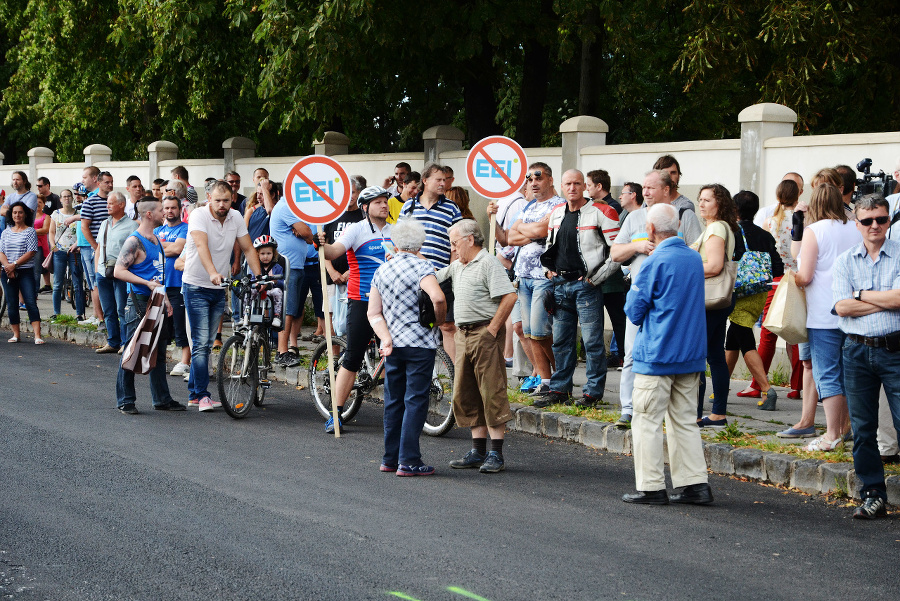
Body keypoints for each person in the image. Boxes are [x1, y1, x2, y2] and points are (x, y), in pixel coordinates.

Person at [622, 203, 712, 505]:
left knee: (646, 420)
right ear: (679, 228)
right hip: (691, 353)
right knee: (684, 420)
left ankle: (651, 486)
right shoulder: (694, 259)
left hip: (657, 354)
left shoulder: (652, 262)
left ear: (650, 230)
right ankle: (695, 485)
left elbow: (634, 311)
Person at [610, 170, 703, 428]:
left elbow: (697, 251)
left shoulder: (680, 217)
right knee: (631, 354)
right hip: (641, 296)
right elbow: (615, 253)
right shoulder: (633, 217)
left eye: (651, 188)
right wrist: (636, 247)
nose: (646, 192)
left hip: (673, 301)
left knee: (671, 357)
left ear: (666, 190)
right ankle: (628, 409)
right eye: (644, 188)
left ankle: (669, 412)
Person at [832, 194, 900, 518]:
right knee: (862, 429)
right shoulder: (845, 261)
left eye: (882, 219)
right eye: (868, 220)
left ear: (888, 220)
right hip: (856, 350)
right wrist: (883, 300)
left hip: (895, 348)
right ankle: (873, 495)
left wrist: (859, 295)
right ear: (856, 223)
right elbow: (841, 308)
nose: (875, 226)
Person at [532, 169, 620, 406]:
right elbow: (549, 246)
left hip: (587, 286)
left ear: (585, 186)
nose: (572, 188)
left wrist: (596, 278)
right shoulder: (556, 213)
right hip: (560, 285)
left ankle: (593, 393)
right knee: (561, 341)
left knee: (592, 342)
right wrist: (547, 271)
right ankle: (560, 390)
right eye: (568, 184)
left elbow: (618, 252)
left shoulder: (603, 211)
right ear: (562, 187)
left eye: (577, 184)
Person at [367, 217, 446, 476]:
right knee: (415, 400)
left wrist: (385, 337)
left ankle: (390, 459)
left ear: (395, 242)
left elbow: (374, 313)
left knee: (394, 401)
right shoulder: (423, 267)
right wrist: (439, 322)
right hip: (420, 342)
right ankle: (409, 460)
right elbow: (437, 297)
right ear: (420, 243)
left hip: (393, 344)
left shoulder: (382, 270)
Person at [438, 220, 516, 473]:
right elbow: (431, 276)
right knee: (466, 390)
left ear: (470, 240)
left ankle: (496, 453)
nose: (452, 248)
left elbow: (510, 296)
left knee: (491, 390)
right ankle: (477, 450)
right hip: (463, 334)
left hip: (483, 332)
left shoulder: (488, 262)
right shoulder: (459, 265)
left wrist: (492, 329)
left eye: (454, 242)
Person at [315, 186, 393, 433]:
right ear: (365, 207)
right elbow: (334, 251)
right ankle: (335, 413)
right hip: (362, 299)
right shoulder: (356, 230)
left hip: (391, 301)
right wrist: (320, 245)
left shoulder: (394, 231)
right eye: (378, 202)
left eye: (385, 201)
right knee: (353, 357)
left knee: (396, 355)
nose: (384, 205)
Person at [793, 183, 861, 451]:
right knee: (849, 374)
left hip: (822, 313)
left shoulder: (814, 231)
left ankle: (831, 434)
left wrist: (791, 277)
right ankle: (846, 429)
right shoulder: (855, 227)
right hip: (853, 309)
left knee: (828, 373)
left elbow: (806, 275)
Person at [182, 180, 261, 412]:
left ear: (232, 198)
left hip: (219, 288)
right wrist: (213, 272)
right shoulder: (199, 216)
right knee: (201, 343)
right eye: (217, 200)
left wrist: (260, 278)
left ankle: (195, 394)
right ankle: (202, 395)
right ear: (208, 197)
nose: (222, 204)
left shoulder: (236, 217)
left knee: (205, 344)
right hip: (196, 285)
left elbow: (248, 248)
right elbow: (201, 245)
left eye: (226, 200)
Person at [114, 197, 185, 414]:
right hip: (138, 302)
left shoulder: (155, 239)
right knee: (132, 349)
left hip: (157, 301)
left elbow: (159, 275)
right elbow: (118, 271)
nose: (164, 212)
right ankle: (125, 400)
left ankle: (161, 399)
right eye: (161, 209)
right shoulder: (134, 241)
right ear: (148, 214)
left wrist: (165, 300)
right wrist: (146, 283)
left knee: (159, 350)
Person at [743, 178, 804, 407]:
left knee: (768, 333)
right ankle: (797, 386)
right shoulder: (801, 221)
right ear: (798, 195)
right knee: (797, 333)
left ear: (778, 196)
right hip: (796, 278)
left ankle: (759, 383)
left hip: (776, 280)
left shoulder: (770, 222)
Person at [506, 163, 565, 392]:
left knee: (540, 332)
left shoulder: (559, 205)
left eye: (538, 178)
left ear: (550, 180)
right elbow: (511, 236)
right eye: (530, 179)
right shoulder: (530, 206)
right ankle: (546, 380)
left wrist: (524, 228)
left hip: (543, 275)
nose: (533, 183)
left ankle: (560, 374)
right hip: (523, 276)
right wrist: (529, 229)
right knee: (528, 332)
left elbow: (542, 232)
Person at [723, 191, 783, 410]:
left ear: (735, 209)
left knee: (745, 341)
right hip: (758, 294)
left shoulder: (733, 232)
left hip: (739, 294)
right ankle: (722, 386)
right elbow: (777, 267)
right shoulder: (765, 235)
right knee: (733, 338)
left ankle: (767, 389)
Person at [400, 164, 463, 360]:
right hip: (414, 274)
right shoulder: (409, 206)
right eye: (439, 179)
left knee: (447, 325)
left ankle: (455, 376)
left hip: (443, 274)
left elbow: (457, 243)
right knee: (415, 321)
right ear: (425, 181)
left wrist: (452, 270)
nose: (443, 183)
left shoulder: (451, 208)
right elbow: (401, 242)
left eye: (445, 180)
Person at [692, 184, 740, 427]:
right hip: (716, 303)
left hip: (708, 302)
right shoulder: (717, 227)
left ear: (719, 203)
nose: (701, 203)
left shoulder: (717, 228)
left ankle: (696, 413)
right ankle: (717, 413)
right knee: (715, 356)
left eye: (707, 200)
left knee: (698, 357)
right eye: (700, 199)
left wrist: (687, 269)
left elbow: (714, 266)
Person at [270, 179, 314, 366]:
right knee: (287, 310)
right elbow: (307, 232)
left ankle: (290, 347)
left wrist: (304, 230)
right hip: (287, 265)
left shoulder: (294, 208)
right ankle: (282, 352)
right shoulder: (287, 205)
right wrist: (306, 233)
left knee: (296, 309)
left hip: (296, 265)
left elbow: (304, 230)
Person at [94, 191, 137, 354]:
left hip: (121, 271)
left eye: (111, 203)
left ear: (121, 205)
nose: (108, 206)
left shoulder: (132, 226)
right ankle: (112, 341)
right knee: (108, 309)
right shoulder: (105, 223)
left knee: (122, 308)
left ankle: (126, 343)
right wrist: (97, 269)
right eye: (107, 203)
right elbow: (99, 247)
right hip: (103, 271)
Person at [324, 175, 365, 338]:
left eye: (353, 192)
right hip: (332, 275)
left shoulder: (363, 216)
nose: (349, 196)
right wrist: (331, 271)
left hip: (356, 275)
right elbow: (323, 246)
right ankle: (334, 357)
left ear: (359, 193)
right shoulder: (331, 216)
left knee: (353, 315)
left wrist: (351, 271)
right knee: (332, 315)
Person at [155, 195, 190, 377]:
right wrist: (167, 247)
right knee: (162, 326)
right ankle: (162, 360)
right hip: (160, 285)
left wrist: (162, 247)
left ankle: (185, 361)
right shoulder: (157, 230)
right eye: (166, 208)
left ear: (179, 210)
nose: (170, 211)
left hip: (178, 284)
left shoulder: (185, 229)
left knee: (180, 323)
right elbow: (151, 251)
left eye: (173, 208)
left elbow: (178, 250)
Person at [0, 202, 43, 344]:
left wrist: (15, 265)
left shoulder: (30, 231)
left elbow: (31, 251)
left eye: (20, 212)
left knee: (30, 301)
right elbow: (1, 251)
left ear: (25, 214)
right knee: (12, 303)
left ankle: (37, 335)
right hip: (7, 271)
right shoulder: (6, 232)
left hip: (25, 271)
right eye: (14, 212)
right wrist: (8, 266)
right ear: (11, 215)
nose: (17, 215)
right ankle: (16, 334)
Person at [79, 167, 109, 327]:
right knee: (95, 282)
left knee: (100, 282)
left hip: (105, 248)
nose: (110, 185)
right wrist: (95, 246)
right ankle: (100, 318)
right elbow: (85, 225)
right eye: (107, 182)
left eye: (85, 177)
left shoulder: (111, 200)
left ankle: (104, 316)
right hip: (93, 248)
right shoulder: (90, 200)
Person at [49, 189, 85, 321]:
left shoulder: (79, 214)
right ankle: (56, 312)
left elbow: (83, 231)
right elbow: (51, 232)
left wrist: (78, 244)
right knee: (58, 283)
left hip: (74, 252)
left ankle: (79, 313)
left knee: (77, 283)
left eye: (69, 196)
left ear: (72, 198)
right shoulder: (55, 214)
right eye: (64, 197)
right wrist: (53, 246)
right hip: (60, 251)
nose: (67, 199)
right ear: (60, 199)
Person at [252, 235, 285, 329]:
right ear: (257, 254)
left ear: (273, 254)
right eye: (262, 254)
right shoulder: (254, 266)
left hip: (271, 290)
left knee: (278, 292)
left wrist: (275, 282)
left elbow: (282, 283)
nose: (265, 256)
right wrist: (256, 284)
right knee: (249, 292)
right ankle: (246, 314)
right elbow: (250, 279)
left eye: (268, 253)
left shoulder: (277, 267)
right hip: (258, 289)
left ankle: (277, 316)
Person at [32, 195, 51, 293]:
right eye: (36, 202)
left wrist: (31, 231)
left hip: (39, 245)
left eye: (40, 202)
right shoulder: (29, 215)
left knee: (37, 270)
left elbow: (45, 230)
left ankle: (34, 293)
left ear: (44, 204)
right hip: (27, 245)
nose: (38, 204)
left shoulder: (46, 217)